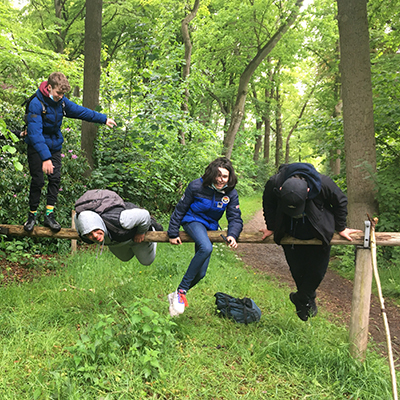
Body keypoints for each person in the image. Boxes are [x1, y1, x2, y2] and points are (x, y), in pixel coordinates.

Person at [260, 162, 361, 321]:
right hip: (289, 232)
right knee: (297, 270)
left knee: (316, 272)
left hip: (318, 231)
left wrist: (341, 228)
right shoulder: (274, 184)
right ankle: (307, 301)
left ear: (308, 192)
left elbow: (340, 201)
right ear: (281, 190)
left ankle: (300, 298)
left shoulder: (323, 183)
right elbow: (268, 204)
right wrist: (271, 227)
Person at [23, 72, 117, 233]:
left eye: (63, 94)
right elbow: (35, 134)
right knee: (38, 181)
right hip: (37, 147)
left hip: (54, 146)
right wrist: (45, 158)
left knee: (55, 179)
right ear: (49, 87)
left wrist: (103, 119)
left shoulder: (62, 102)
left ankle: (49, 216)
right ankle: (31, 216)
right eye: (58, 93)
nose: (61, 96)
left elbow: (80, 111)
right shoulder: (36, 104)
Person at [167, 157, 243, 317]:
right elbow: (180, 209)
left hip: (211, 226)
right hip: (192, 220)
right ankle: (181, 292)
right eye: (218, 175)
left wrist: (233, 235)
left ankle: (175, 294)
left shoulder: (230, 193)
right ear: (211, 174)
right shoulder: (196, 186)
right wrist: (173, 232)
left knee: (201, 273)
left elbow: (235, 217)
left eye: (225, 176)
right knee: (206, 247)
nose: (221, 180)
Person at [75, 200, 163, 265]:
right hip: (119, 238)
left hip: (136, 231)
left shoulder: (121, 220)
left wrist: (141, 232)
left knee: (146, 261)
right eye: (89, 234)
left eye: (95, 230)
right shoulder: (82, 231)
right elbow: (77, 216)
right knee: (125, 258)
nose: (94, 236)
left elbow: (144, 215)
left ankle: (153, 227)